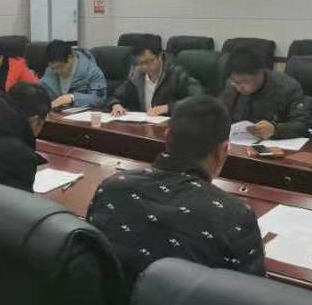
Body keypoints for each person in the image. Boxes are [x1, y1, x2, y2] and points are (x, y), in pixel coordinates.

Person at [88, 96, 266, 287]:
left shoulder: (112, 187)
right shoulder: (235, 215)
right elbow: (253, 293)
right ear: (223, 150)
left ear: (166, 137)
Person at [220, 47, 308, 139]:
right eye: (235, 81)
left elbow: (302, 125)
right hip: (238, 141)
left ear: (259, 73)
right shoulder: (232, 84)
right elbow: (221, 112)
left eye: (244, 81)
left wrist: (276, 130)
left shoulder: (287, 87)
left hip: (274, 143)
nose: (239, 88)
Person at [108, 43, 203, 117]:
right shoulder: (135, 75)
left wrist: (168, 108)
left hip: (168, 126)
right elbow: (115, 96)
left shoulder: (176, 75)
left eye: (149, 61)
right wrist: (115, 105)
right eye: (140, 63)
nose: (145, 66)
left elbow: (198, 99)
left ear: (160, 57)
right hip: (141, 127)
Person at [41, 40, 107, 109]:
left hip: (80, 113)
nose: (58, 71)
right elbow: (42, 92)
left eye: (61, 67)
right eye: (53, 68)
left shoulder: (92, 71)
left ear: (70, 58)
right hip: (57, 112)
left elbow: (99, 99)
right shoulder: (50, 71)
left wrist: (72, 98)